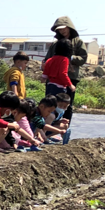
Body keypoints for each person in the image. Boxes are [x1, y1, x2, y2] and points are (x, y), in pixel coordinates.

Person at [42, 16, 88, 144]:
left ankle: (61, 131)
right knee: (50, 103)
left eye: (64, 29)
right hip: (54, 78)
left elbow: (83, 58)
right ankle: (49, 130)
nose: (62, 31)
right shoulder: (56, 44)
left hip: (70, 78)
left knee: (66, 105)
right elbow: (48, 58)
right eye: (59, 30)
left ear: (69, 27)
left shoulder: (78, 42)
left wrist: (71, 57)